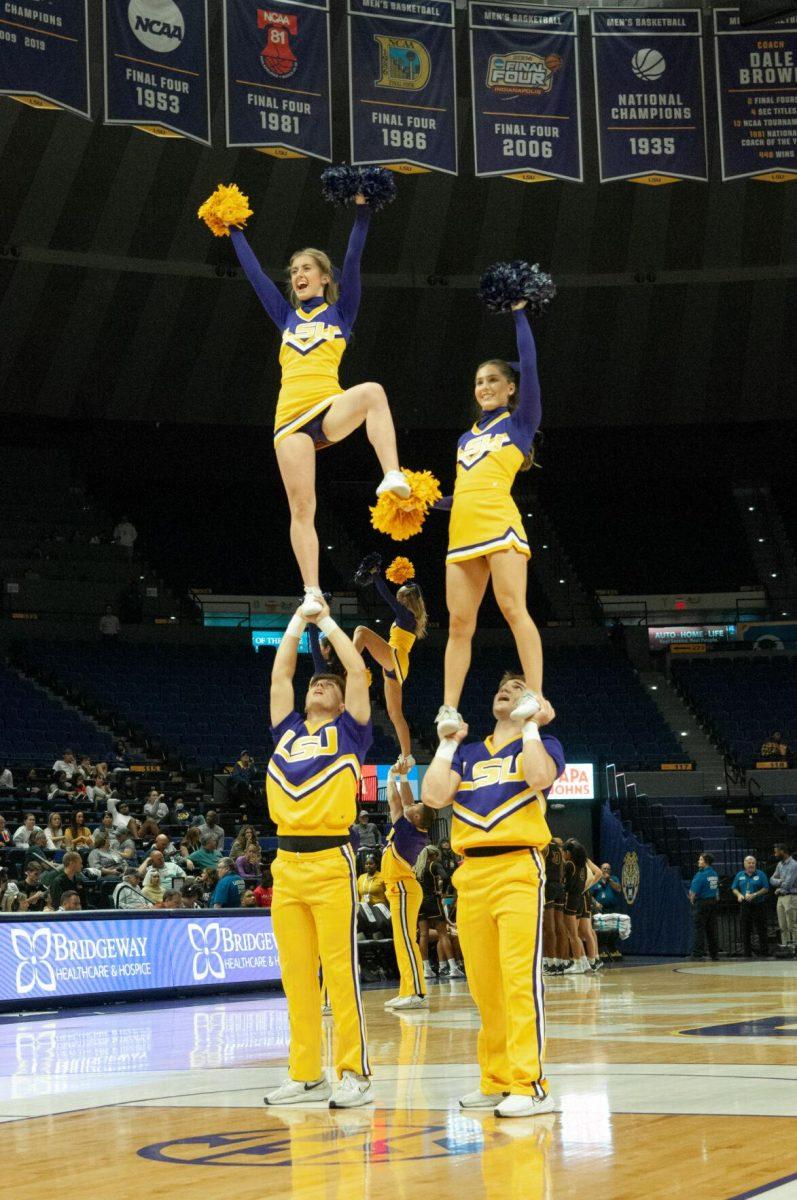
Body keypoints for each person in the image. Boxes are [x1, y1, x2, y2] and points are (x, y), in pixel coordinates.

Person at [212, 184, 409, 617]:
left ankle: (392, 474)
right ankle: (312, 591)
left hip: (329, 406)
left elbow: (354, 259)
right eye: (294, 270)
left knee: (373, 392)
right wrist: (233, 230)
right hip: (289, 422)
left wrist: (362, 212)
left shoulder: (342, 314)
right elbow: (255, 276)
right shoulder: (284, 316)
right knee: (303, 505)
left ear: (325, 278)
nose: (298, 274)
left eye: (307, 268)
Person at [423, 673, 564, 1118]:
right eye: (501, 686)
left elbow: (540, 777)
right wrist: (446, 744)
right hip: (472, 873)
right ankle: (497, 1079)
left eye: (518, 686)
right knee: (484, 987)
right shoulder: (466, 753)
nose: (505, 688)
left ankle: (530, 1083)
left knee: (519, 982)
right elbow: (432, 796)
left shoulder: (545, 743)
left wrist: (530, 726)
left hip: (519, 866)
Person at [264, 597, 372, 1108]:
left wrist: (324, 619)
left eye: (325, 682)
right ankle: (306, 1073)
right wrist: (295, 621)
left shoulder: (351, 731)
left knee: (340, 970)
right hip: (286, 864)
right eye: (315, 683)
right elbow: (280, 677)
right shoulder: (286, 729)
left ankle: (354, 1073)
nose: (319, 684)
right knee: (296, 977)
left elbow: (356, 668)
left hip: (332, 860)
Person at [434, 302, 546, 738]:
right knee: (460, 626)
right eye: (479, 382)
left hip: (500, 525)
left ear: (511, 388)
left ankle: (535, 693)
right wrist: (425, 502)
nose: (484, 387)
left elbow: (531, 363)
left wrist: (518, 314)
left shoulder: (520, 424)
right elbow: (464, 493)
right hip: (461, 534)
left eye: (493, 380)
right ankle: (448, 708)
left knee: (513, 608)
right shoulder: (466, 438)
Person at [353, 556, 427, 767]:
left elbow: (386, 597)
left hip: (396, 655)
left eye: (401, 598)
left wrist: (377, 575)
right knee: (395, 714)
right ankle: (407, 756)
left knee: (361, 632)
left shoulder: (406, 615)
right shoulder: (410, 619)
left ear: (407, 601)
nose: (399, 600)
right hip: (399, 664)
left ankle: (346, 666)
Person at [381, 762, 434, 1010]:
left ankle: (416, 992)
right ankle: (407, 990)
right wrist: (404, 776)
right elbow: (408, 802)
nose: (411, 805)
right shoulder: (415, 826)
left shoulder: (407, 833)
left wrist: (391, 776)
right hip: (399, 889)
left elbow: (395, 802)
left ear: (414, 817)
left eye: (414, 807)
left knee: (406, 941)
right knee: (401, 941)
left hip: (403, 888)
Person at [416, 845, 462, 981]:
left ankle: (427, 969)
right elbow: (446, 877)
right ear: (433, 855)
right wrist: (442, 892)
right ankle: (453, 967)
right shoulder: (434, 865)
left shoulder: (416, 868)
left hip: (420, 903)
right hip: (433, 902)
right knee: (443, 934)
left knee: (423, 935)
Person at [562, 840, 592, 974]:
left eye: (564, 852)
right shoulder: (583, 867)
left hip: (571, 901)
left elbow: (565, 884)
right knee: (576, 935)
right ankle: (584, 963)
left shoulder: (569, 864)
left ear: (568, 853)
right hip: (580, 900)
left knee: (572, 935)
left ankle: (577, 963)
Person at [732, 855, 770, 957]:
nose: (751, 865)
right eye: (749, 863)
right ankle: (747, 953)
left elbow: (766, 888)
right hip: (745, 905)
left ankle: (764, 952)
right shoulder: (740, 875)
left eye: (753, 863)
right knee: (745, 929)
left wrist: (755, 894)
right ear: (744, 864)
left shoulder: (761, 874)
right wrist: (739, 895)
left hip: (758, 904)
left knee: (761, 928)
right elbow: (734, 888)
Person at [542, 837, 567, 975]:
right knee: (560, 926)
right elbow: (562, 868)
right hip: (559, 886)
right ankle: (560, 963)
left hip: (549, 887)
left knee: (548, 927)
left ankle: (550, 964)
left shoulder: (544, 847)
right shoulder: (558, 849)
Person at [689, 852, 720, 961]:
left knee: (699, 929)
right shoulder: (714, 873)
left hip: (702, 903)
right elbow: (716, 891)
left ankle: (697, 954)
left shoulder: (700, 874)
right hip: (712, 902)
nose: (699, 861)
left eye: (701, 860)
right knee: (711, 929)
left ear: (705, 862)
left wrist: (692, 900)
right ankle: (714, 954)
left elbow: (693, 892)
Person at [590, 861, 624, 960]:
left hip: (613, 909)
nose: (606, 870)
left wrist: (609, 880)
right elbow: (590, 895)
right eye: (604, 868)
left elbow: (618, 889)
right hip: (601, 910)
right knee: (602, 930)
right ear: (600, 869)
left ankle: (612, 948)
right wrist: (595, 903)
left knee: (614, 930)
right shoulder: (595, 880)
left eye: (608, 868)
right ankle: (601, 949)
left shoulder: (614, 879)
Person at [770, 844, 797, 951]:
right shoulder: (779, 865)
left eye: (776, 852)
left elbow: (788, 884)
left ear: (783, 852)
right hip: (780, 898)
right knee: (782, 925)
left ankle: (794, 947)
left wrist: (779, 887)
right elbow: (771, 879)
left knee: (792, 924)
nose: (775, 854)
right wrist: (780, 881)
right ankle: (786, 947)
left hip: (791, 896)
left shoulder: (794, 865)